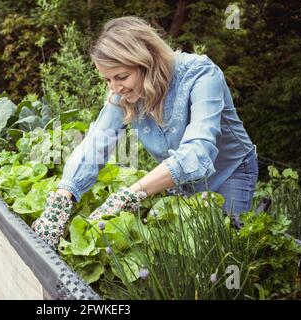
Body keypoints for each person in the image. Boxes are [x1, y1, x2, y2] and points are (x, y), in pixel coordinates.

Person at [32, 16, 258, 248]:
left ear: (148, 63)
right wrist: (62, 197)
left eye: (121, 77)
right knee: (185, 250)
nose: (115, 88)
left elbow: (197, 152)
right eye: (107, 80)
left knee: (223, 248)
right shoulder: (122, 93)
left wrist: (132, 193)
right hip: (180, 179)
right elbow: (96, 143)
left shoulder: (201, 75)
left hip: (229, 172)